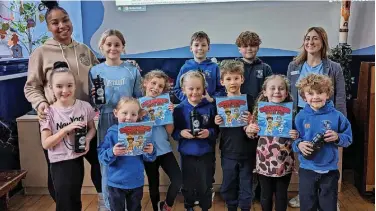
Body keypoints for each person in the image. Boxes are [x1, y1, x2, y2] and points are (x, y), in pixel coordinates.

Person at [24, 0, 102, 204]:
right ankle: (63, 204)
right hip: (57, 122)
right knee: (60, 176)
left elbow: (99, 76)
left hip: (86, 120)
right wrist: (41, 104)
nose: (62, 26)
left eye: (65, 20)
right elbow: (31, 86)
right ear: (48, 27)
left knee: (102, 162)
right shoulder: (41, 53)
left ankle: (105, 201)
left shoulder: (84, 50)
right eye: (55, 23)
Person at [286, 27, 347, 208]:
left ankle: (330, 197)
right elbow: (290, 94)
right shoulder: (294, 66)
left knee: (327, 155)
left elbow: (340, 97)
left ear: (323, 42)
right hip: (303, 117)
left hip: (326, 118)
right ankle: (304, 194)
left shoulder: (333, 67)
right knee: (304, 155)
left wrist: (339, 123)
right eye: (307, 38)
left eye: (315, 39)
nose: (310, 42)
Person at [89, 29, 142, 210]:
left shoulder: (132, 70)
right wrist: (95, 99)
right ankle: (110, 205)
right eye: (108, 44)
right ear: (101, 47)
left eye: (117, 44)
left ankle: (129, 203)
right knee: (107, 161)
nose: (113, 48)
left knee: (128, 159)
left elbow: (139, 98)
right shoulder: (95, 71)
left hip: (128, 121)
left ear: (123, 47)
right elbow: (94, 102)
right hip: (105, 119)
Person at [39, 61, 97, 211]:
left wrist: (88, 140)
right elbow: (46, 143)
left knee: (75, 199)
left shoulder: (84, 107)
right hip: (59, 162)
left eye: (69, 85)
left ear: (75, 85)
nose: (65, 90)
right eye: (59, 86)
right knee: (64, 202)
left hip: (77, 159)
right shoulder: (48, 113)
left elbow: (92, 129)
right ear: (51, 88)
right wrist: (65, 130)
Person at [293, 74, 352, 211]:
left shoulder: (337, 116)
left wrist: (338, 137)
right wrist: (299, 144)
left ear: (328, 94)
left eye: (320, 92)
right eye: (310, 93)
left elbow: (348, 139)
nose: (315, 97)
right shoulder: (300, 117)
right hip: (307, 169)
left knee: (328, 206)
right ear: (304, 97)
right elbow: (294, 140)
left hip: (330, 170)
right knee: (307, 205)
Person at [246, 75, 299, 211]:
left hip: (284, 160)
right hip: (264, 160)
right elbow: (250, 134)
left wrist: (296, 134)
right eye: (273, 88)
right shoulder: (259, 113)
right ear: (265, 92)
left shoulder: (292, 113)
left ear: (286, 93)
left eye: (281, 89)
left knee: (281, 195)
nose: (277, 91)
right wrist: (250, 129)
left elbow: (298, 135)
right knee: (265, 194)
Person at [98, 97, 156, 211]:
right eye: (124, 113)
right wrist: (112, 152)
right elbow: (101, 156)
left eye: (133, 114)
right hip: (116, 183)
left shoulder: (142, 133)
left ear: (138, 116)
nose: (128, 117)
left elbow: (150, 157)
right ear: (116, 113)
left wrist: (150, 151)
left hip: (136, 182)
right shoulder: (112, 133)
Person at [235, 30, 273, 202]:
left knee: (259, 155)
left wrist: (258, 115)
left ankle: (259, 191)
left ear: (258, 47)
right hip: (239, 117)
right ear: (239, 49)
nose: (249, 49)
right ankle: (241, 191)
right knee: (241, 156)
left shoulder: (265, 68)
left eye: (253, 45)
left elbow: (270, 94)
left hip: (259, 118)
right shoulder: (234, 66)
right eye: (245, 46)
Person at [172, 71, 217, 211]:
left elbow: (217, 129)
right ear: (184, 90)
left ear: (204, 89)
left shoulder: (210, 107)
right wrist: (181, 133)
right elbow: (174, 132)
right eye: (191, 88)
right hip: (187, 153)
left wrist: (208, 132)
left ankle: (205, 207)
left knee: (205, 182)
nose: (195, 92)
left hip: (206, 152)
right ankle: (189, 206)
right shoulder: (178, 109)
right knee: (188, 183)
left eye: (198, 88)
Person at [213, 60, 253, 211]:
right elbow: (215, 132)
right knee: (229, 184)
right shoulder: (218, 104)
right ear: (222, 81)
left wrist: (251, 121)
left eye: (236, 78)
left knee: (246, 185)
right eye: (228, 79)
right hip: (228, 152)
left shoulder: (250, 100)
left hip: (247, 152)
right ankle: (231, 207)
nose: (233, 82)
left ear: (242, 79)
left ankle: (245, 208)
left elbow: (257, 127)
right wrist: (216, 121)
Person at [141, 70, 182, 211]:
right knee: (153, 184)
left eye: (160, 86)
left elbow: (169, 131)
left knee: (178, 180)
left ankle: (167, 205)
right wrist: (138, 115)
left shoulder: (165, 104)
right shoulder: (137, 104)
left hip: (165, 150)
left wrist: (169, 114)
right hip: (147, 151)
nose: (156, 88)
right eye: (153, 83)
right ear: (145, 83)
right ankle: (155, 208)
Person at [173, 31, 225, 103]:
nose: (200, 48)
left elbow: (221, 89)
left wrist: (212, 99)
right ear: (191, 48)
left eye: (203, 45)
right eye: (196, 45)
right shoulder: (185, 67)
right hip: (190, 109)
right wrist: (189, 100)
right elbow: (177, 89)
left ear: (208, 48)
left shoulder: (214, 67)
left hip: (209, 107)